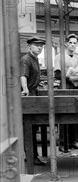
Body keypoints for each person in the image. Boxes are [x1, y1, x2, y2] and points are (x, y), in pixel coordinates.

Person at [20, 36, 47, 166]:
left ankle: (32, 155)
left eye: (41, 45)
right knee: (28, 126)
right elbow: (23, 75)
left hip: (34, 92)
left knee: (33, 126)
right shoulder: (26, 59)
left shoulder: (35, 59)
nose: (40, 47)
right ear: (29, 46)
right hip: (28, 94)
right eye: (37, 45)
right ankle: (31, 156)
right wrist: (25, 88)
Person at [58, 34, 78, 152]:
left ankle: (72, 141)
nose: (73, 45)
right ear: (66, 43)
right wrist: (70, 78)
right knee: (65, 115)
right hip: (65, 87)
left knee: (75, 114)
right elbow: (57, 74)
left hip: (76, 87)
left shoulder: (77, 58)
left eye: (75, 43)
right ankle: (62, 143)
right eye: (71, 42)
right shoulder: (59, 57)